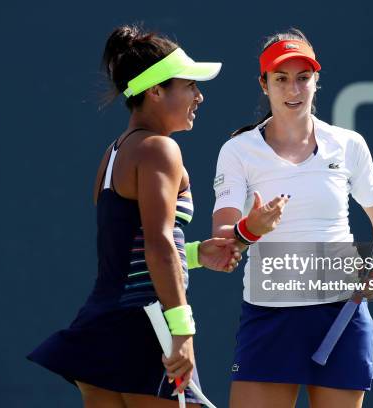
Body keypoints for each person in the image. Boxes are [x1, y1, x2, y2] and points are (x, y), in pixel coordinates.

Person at [28, 25, 242, 408]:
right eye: (189, 85)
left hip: (101, 326)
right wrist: (182, 331)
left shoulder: (113, 154)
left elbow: (131, 246)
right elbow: (158, 245)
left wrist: (194, 255)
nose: (199, 95)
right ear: (155, 91)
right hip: (145, 328)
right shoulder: (160, 150)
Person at [211, 28, 373, 408]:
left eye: (303, 78)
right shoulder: (237, 151)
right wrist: (251, 229)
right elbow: (222, 239)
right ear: (264, 84)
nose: (293, 90)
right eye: (281, 79)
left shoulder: (349, 145)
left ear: (316, 81)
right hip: (269, 316)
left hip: (341, 313)